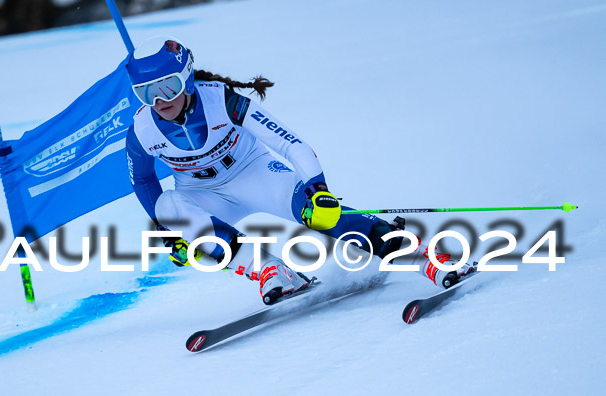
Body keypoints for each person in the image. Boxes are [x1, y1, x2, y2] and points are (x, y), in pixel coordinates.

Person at [124, 37, 471, 304]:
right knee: (168, 209)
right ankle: (272, 271)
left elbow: (292, 145)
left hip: (253, 173)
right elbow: (142, 179)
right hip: (202, 195)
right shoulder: (142, 130)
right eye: (145, 92)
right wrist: (168, 231)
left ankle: (424, 255)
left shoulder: (221, 100)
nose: (159, 101)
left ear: (186, 78)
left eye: (167, 86)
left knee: (321, 215)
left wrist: (317, 189)